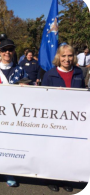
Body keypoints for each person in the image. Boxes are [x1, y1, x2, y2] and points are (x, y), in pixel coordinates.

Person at [42, 44, 85, 192]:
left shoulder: (79, 72)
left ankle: (66, 177)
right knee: (54, 149)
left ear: (74, 57)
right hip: (55, 120)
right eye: (63, 56)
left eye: (70, 56)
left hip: (73, 120)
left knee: (69, 150)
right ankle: (52, 177)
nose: (67, 59)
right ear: (58, 58)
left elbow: (84, 94)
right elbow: (41, 98)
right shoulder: (49, 74)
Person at [0, 39, 27, 187]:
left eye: (10, 49)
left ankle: (9, 171)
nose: (7, 52)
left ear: (14, 51)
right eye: (4, 50)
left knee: (10, 144)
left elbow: (32, 90)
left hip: (14, 115)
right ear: (0, 52)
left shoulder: (21, 70)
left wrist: (27, 87)